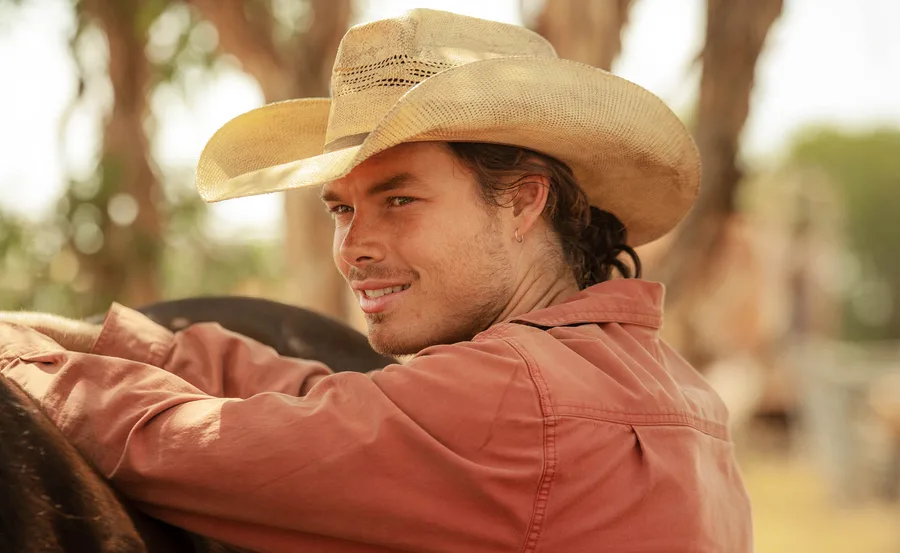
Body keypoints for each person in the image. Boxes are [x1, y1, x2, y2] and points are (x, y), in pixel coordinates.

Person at [0, 9, 752, 553]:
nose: (354, 246)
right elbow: (326, 403)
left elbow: (197, 448)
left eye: (399, 199)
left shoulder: (513, 399)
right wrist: (79, 336)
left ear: (524, 199)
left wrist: (16, 364)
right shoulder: (676, 391)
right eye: (340, 209)